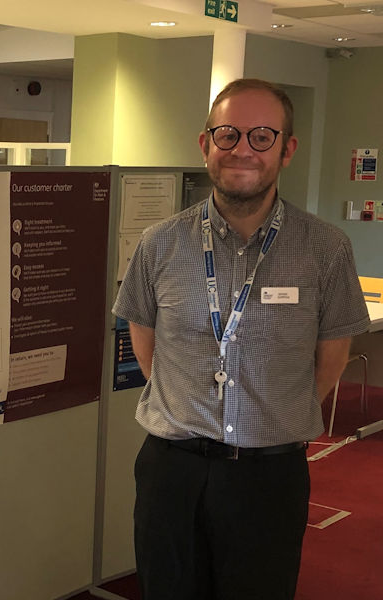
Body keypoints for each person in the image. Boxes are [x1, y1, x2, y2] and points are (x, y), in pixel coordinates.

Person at [113, 78, 369, 600]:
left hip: (268, 475)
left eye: (261, 136)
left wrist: (275, 415)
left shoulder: (325, 249)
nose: (242, 150)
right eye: (228, 134)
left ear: (287, 149)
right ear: (205, 143)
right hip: (173, 470)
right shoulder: (158, 243)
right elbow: (145, 343)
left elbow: (333, 355)